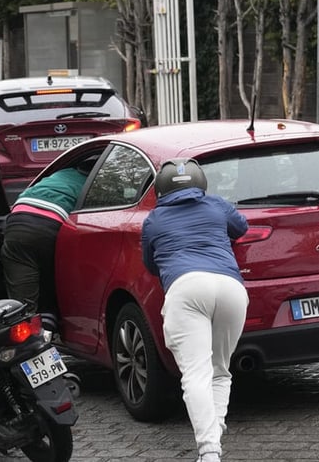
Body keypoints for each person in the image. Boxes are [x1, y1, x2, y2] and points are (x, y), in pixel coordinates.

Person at [140, 158, 249, 462]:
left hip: (186, 289)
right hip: (231, 288)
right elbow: (241, 228)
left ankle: (209, 451)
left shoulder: (154, 220)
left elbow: (150, 263)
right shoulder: (216, 205)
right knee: (219, 371)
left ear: (160, 190)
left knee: (195, 375)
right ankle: (214, 433)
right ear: (201, 184)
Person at [0, 158, 93, 320]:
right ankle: (51, 323)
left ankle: (25, 329)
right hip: (51, 225)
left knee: (23, 302)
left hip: (17, 222)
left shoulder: (60, 173)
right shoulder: (96, 184)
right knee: (56, 284)